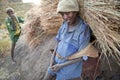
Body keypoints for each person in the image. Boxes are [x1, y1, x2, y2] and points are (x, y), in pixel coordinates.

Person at [44, 0, 97, 80]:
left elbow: (82, 56)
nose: (65, 17)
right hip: (55, 63)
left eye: (68, 13)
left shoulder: (83, 30)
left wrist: (61, 66)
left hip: (68, 71)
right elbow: (58, 42)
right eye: (62, 14)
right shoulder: (64, 24)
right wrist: (52, 60)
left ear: (75, 12)